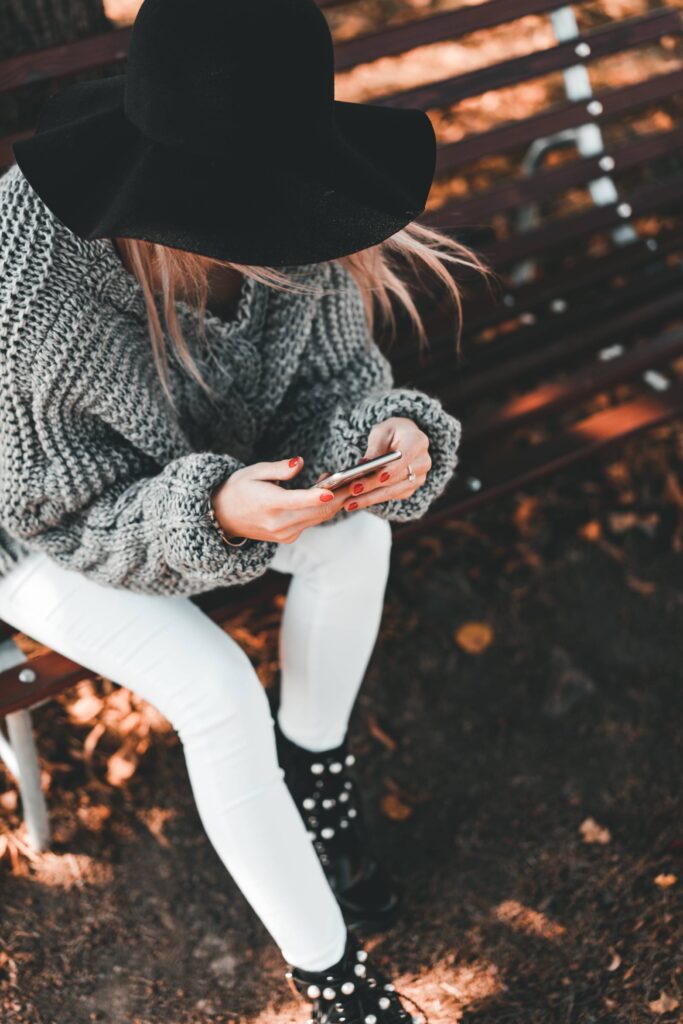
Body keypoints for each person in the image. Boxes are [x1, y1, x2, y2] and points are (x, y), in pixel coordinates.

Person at [0, 0, 483, 1020]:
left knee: (355, 535)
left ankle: (318, 777)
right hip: (25, 521)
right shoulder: (33, 283)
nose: (284, 235)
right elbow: (57, 513)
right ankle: (336, 979)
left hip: (197, 479)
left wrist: (382, 439)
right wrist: (211, 512)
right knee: (217, 689)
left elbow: (336, 380)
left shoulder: (292, 196)